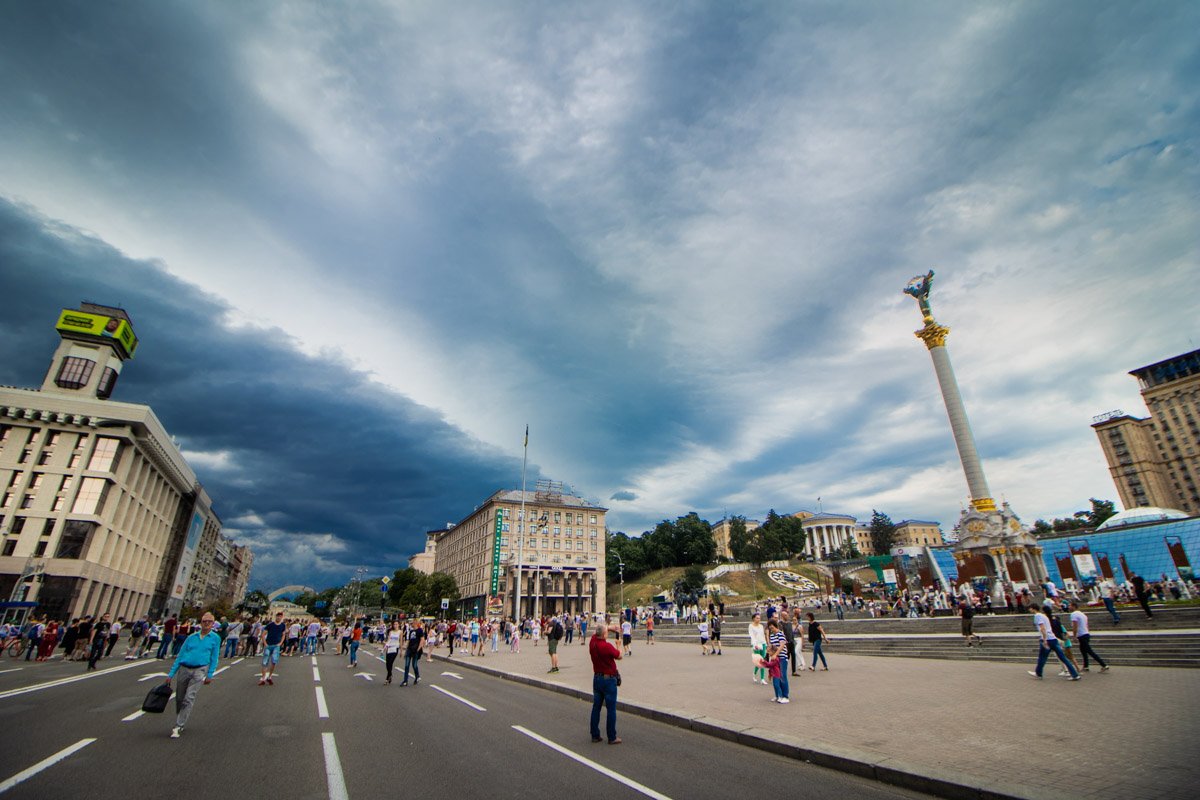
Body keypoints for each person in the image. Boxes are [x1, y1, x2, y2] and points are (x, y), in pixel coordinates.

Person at [166, 612, 221, 739]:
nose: (206, 623)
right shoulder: (191, 637)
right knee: (180, 697)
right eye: (204, 621)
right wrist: (171, 674)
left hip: (200, 669)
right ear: (200, 623)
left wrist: (210, 674)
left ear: (213, 624)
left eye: (209, 622)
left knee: (189, 697)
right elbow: (180, 655)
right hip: (184, 668)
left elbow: (214, 656)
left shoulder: (215, 638)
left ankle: (179, 724)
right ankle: (181, 716)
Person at [588, 621, 622, 745]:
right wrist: (618, 645)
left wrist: (611, 628)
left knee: (596, 707)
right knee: (611, 709)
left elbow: (595, 631)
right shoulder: (607, 646)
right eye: (607, 632)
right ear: (604, 635)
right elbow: (619, 656)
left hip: (597, 678)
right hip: (608, 680)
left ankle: (595, 734)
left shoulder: (593, 642)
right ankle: (612, 736)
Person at [1027, 604, 1080, 680]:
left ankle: (1038, 673)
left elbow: (1042, 628)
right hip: (1053, 638)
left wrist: (1044, 639)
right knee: (1062, 657)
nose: (1029, 610)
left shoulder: (1037, 616)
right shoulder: (1044, 616)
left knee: (1042, 657)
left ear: (1033, 609)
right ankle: (1074, 674)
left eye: (1030, 609)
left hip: (1047, 639)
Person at [1070, 601, 1109, 672]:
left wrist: (1074, 636)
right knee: (1083, 650)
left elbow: (1075, 625)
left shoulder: (1074, 614)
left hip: (1081, 634)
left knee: (1089, 651)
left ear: (1073, 606)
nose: (1069, 607)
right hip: (1086, 633)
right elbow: (1086, 625)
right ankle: (1086, 666)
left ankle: (1104, 665)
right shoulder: (1083, 614)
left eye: (1070, 606)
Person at [765, 618, 790, 703]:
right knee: (776, 676)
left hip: (782, 657)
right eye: (770, 628)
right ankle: (778, 695)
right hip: (775, 658)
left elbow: (782, 645)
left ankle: (785, 696)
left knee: (783, 676)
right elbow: (772, 647)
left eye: (772, 627)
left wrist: (776, 654)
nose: (771, 629)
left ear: (775, 626)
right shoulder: (772, 635)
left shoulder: (780, 634)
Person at [259, 611, 287, 686]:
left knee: (274, 661)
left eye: (280, 616)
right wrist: (265, 643)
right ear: (276, 617)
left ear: (282, 617)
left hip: (276, 645)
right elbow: (263, 634)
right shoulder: (270, 625)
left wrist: (280, 643)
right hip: (269, 644)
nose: (279, 617)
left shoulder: (283, 625)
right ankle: (263, 677)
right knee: (265, 661)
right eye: (278, 616)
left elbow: (284, 634)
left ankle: (269, 676)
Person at [400, 619, 424, 686]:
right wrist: (406, 650)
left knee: (414, 665)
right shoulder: (411, 631)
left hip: (415, 650)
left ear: (416, 623)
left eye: (412, 623)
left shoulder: (420, 630)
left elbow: (422, 640)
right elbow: (409, 640)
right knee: (406, 665)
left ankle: (417, 676)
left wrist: (418, 648)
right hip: (410, 649)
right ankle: (405, 680)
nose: (411, 624)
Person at [748, 613, 767, 684]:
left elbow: (763, 635)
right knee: (759, 661)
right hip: (756, 645)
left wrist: (766, 643)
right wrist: (754, 644)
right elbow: (752, 635)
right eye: (757, 618)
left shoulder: (761, 626)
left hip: (762, 643)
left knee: (762, 661)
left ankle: (761, 678)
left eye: (759, 618)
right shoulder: (751, 626)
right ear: (753, 619)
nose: (758, 619)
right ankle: (758, 675)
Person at [383, 620, 402, 684]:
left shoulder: (400, 632)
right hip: (389, 648)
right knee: (387, 663)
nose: (395, 625)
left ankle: (388, 677)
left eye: (396, 624)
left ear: (398, 625)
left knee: (391, 662)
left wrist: (401, 651)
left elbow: (401, 641)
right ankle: (390, 674)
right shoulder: (391, 632)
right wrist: (385, 647)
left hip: (395, 648)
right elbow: (389, 640)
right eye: (394, 624)